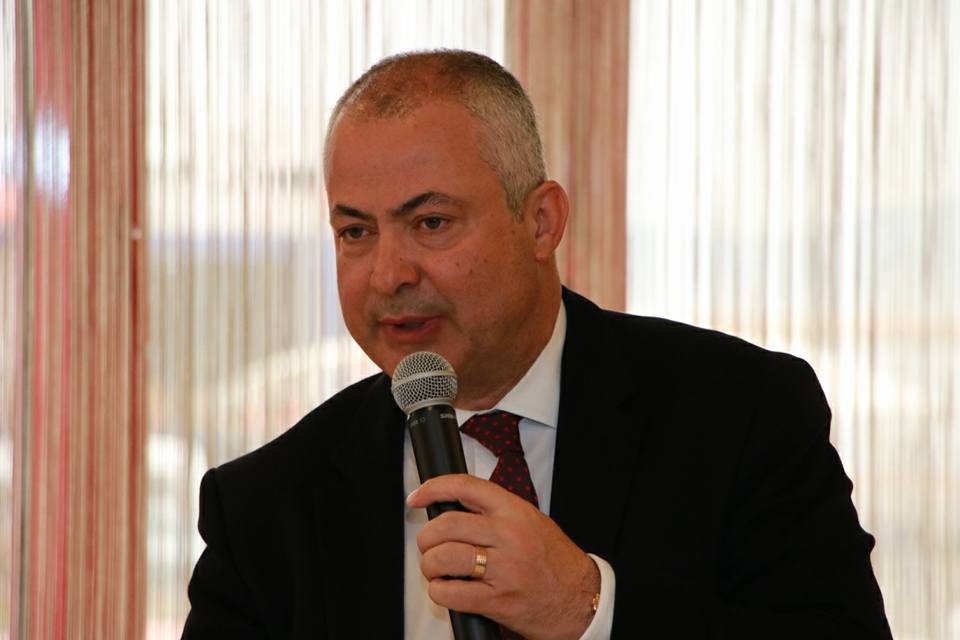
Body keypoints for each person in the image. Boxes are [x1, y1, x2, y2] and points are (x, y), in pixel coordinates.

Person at [182, 50, 891, 639]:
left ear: (542, 222)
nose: (388, 274)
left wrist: (588, 609)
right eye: (356, 232)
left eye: (430, 223)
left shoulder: (740, 415)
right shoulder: (266, 505)